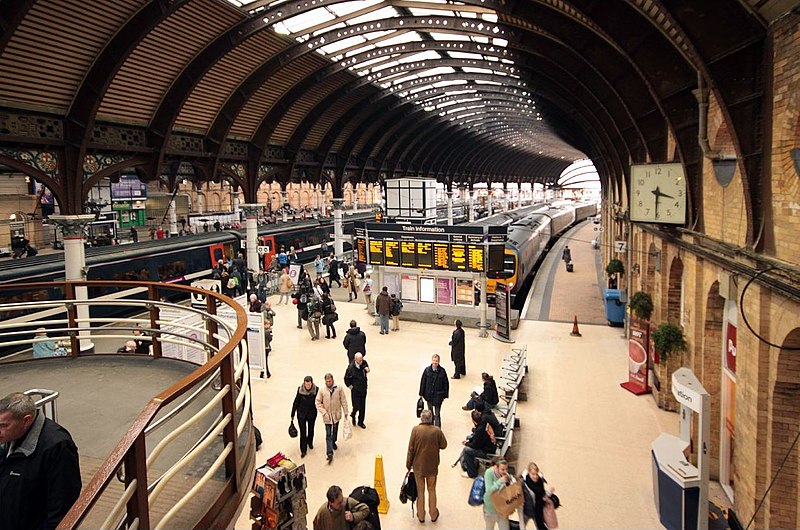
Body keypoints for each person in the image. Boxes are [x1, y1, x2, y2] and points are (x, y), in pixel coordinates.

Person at [0, 392, 82, 530]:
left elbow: (62, 506)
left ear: (26, 420)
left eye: (3, 425)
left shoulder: (57, 446)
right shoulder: (8, 437)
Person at [406, 409, 448, 523]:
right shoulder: (437, 431)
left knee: (420, 491)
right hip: (432, 466)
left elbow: (411, 449)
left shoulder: (415, 430)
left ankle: (421, 515)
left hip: (418, 466)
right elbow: (444, 445)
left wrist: (408, 464)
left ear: (421, 419)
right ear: (432, 419)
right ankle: (433, 514)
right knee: (432, 490)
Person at [315, 373, 349, 463]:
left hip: (336, 415)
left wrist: (346, 412)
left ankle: (334, 441)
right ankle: (329, 453)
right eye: (327, 381)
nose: (328, 383)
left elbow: (343, 400)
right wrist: (324, 413)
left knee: (335, 431)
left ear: (332, 380)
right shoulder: (322, 390)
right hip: (327, 417)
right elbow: (318, 402)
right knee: (328, 434)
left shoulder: (339, 388)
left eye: (330, 381)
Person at [460, 410, 496, 478]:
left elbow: (476, 445)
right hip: (490, 445)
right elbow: (477, 438)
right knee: (469, 437)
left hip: (486, 452)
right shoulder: (484, 422)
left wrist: (467, 443)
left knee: (466, 450)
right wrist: (469, 440)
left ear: (473, 420)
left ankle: (471, 473)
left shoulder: (480, 430)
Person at [418, 354, 449, 428]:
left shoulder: (442, 371)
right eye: (434, 361)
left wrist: (445, 395)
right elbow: (423, 382)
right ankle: (431, 427)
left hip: (438, 396)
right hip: (429, 396)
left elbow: (446, 383)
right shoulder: (427, 370)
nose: (435, 362)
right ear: (432, 361)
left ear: (439, 361)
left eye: (436, 361)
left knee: (437, 414)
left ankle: (438, 430)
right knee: (430, 412)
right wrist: (421, 393)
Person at [291, 376, 318, 457]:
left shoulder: (316, 390)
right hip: (301, 414)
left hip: (312, 414)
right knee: (303, 432)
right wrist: (292, 414)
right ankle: (303, 450)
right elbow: (296, 402)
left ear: (311, 383)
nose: (307, 387)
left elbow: (319, 401)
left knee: (311, 429)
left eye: (309, 385)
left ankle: (310, 442)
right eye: (306, 385)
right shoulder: (300, 390)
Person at [483, 457, 512, 530]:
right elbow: (489, 491)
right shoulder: (488, 473)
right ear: (496, 467)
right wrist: (500, 482)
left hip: (502, 510)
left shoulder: (506, 475)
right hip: (490, 510)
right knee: (489, 527)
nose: (505, 471)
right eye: (502, 469)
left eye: (506, 469)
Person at [520, 462, 550, 530]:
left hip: (537, 513)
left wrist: (549, 493)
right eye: (533, 474)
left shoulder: (540, 482)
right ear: (528, 473)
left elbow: (543, 495)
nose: (535, 476)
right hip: (526, 512)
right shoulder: (524, 484)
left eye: (536, 474)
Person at [344, 353, 369, 429]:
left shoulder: (364, 362)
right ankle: (353, 413)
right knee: (356, 405)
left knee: (363, 406)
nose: (361, 361)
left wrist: (367, 369)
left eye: (362, 359)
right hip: (356, 390)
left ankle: (361, 422)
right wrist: (351, 386)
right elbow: (346, 378)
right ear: (355, 360)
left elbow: (367, 367)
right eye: (359, 360)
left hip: (363, 388)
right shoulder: (351, 368)